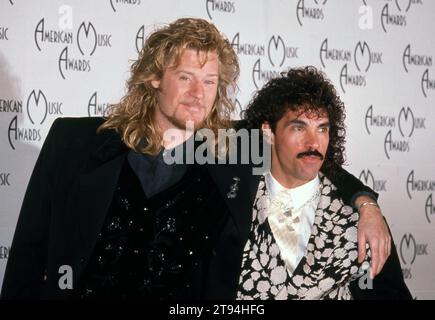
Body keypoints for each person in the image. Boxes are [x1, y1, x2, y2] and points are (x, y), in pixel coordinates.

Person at [1, 18, 389, 299]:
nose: (197, 94)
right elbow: (28, 252)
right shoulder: (76, 141)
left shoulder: (235, 146)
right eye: (185, 77)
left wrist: (366, 205)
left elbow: (308, 156)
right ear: (154, 77)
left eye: (209, 82)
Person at [220, 66, 410, 299]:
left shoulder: (357, 222)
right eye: (299, 127)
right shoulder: (230, 202)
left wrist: (366, 203)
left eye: (322, 129)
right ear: (269, 132)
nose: (313, 143)